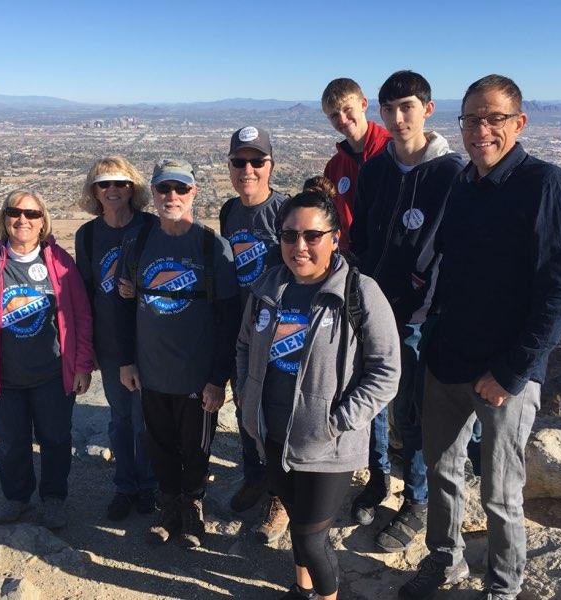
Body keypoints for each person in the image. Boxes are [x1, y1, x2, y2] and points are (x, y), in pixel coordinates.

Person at [398, 75, 561, 600]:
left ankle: (503, 586)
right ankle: (445, 561)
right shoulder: (464, 183)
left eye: (494, 118)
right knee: (441, 472)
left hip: (507, 373)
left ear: (518, 123)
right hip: (449, 360)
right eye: (472, 119)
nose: (482, 129)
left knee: (502, 493)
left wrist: (510, 371)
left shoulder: (546, 184)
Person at [237, 191, 401, 600]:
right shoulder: (267, 287)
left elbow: (386, 371)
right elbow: (243, 345)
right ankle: (301, 588)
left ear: (334, 237)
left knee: (312, 539)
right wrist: (245, 397)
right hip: (272, 433)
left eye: (313, 235)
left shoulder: (360, 293)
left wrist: (338, 422)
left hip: (327, 446)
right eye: (290, 236)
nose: (300, 246)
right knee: (296, 522)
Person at [348, 71, 465, 552]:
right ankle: (378, 479)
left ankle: (416, 501)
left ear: (428, 109)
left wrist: (425, 302)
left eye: (408, 108)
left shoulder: (450, 172)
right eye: (389, 110)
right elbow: (362, 237)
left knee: (412, 410)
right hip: (374, 307)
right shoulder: (376, 169)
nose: (397, 119)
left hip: (419, 316)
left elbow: (453, 249)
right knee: (372, 401)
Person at [0, 189, 95, 530]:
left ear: (43, 221)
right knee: (12, 442)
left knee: (56, 438)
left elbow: (81, 315)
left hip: (52, 373)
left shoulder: (57, 260)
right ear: (5, 218)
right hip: (1, 376)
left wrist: (83, 364)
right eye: (15, 212)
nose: (22, 219)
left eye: (31, 213)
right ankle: (16, 497)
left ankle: (54, 498)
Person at [115, 158, 240, 548]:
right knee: (160, 444)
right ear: (151, 193)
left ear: (193, 194)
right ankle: (169, 506)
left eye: (181, 189)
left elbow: (228, 318)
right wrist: (126, 360)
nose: (172, 196)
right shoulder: (137, 243)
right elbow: (123, 305)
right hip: (152, 372)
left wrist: (218, 378)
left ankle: (193, 506)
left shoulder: (210, 246)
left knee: (197, 448)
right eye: (163, 188)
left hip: (196, 375)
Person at [74, 156, 157, 521]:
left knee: (145, 418)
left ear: (133, 188)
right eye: (104, 183)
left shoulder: (151, 228)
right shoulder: (88, 236)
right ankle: (126, 486)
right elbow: (85, 295)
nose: (112, 190)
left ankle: (150, 486)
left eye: (120, 183)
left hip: (150, 342)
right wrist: (86, 349)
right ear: (94, 191)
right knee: (120, 417)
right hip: (109, 345)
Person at [219, 126, 290, 544]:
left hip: (278, 331)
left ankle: (281, 495)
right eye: (239, 161)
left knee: (276, 412)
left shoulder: (282, 210)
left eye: (256, 161)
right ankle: (255, 475)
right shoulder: (230, 211)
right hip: (240, 328)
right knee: (245, 405)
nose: (248, 169)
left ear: (270, 166)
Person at [321, 77, 391, 248]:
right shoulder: (334, 166)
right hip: (349, 258)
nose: (343, 119)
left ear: (364, 104)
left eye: (347, 109)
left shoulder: (392, 150)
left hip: (387, 256)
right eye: (334, 115)